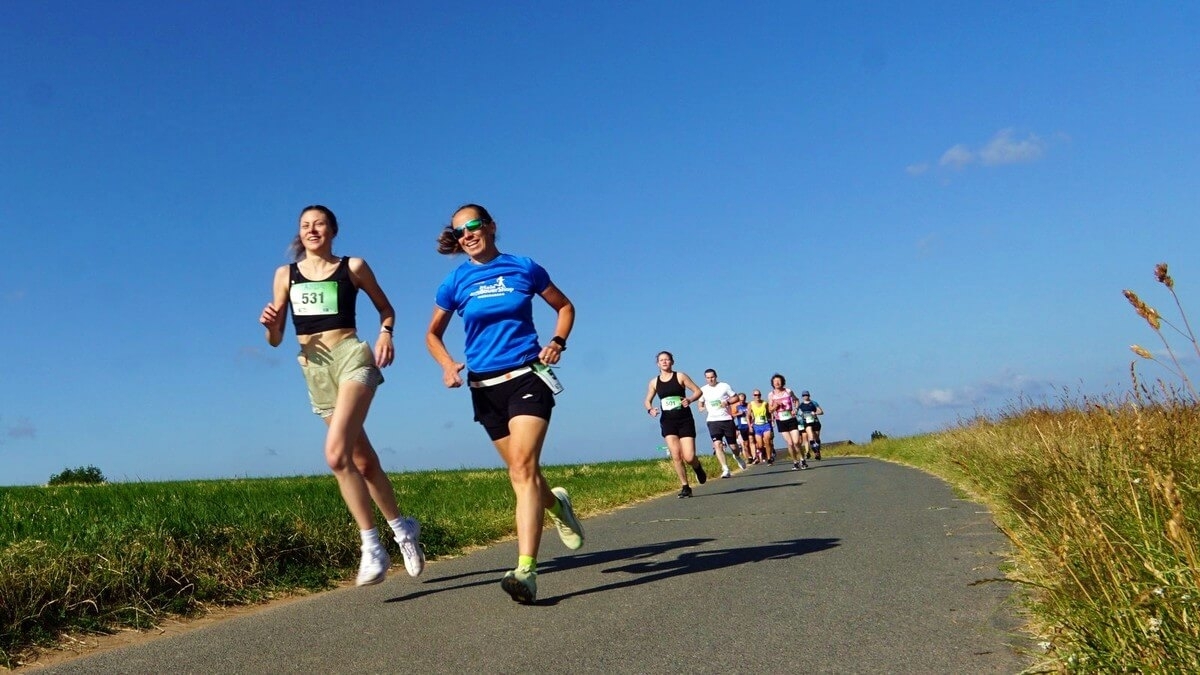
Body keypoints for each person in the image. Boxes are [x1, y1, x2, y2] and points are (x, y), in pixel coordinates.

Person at [425, 203, 584, 604]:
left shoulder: (523, 267)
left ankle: (526, 570)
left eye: (474, 226)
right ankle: (557, 503)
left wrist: (558, 341)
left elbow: (564, 307)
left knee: (522, 469)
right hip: (484, 387)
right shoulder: (455, 282)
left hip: (527, 377)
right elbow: (432, 334)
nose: (468, 235)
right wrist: (447, 365)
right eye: (460, 231)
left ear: (492, 226)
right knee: (522, 472)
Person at [258, 205, 424, 587]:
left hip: (352, 358)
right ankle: (403, 530)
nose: (311, 230)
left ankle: (372, 546)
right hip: (315, 372)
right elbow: (277, 338)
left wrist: (386, 333)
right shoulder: (286, 275)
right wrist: (269, 325)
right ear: (299, 234)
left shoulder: (353, 266)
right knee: (363, 462)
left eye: (318, 224)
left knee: (336, 455)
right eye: (304, 225)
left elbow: (386, 308)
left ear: (332, 230)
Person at [645, 351, 708, 497]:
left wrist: (690, 400)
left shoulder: (680, 376)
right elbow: (647, 400)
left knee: (689, 457)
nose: (664, 362)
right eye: (661, 360)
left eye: (667, 359)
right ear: (657, 364)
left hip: (684, 420)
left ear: (672, 362)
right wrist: (650, 409)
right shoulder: (654, 382)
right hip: (668, 422)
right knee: (676, 455)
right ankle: (685, 487)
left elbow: (698, 391)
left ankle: (697, 467)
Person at [698, 369, 746, 477]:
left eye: (712, 377)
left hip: (726, 419)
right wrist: (701, 408)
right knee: (717, 444)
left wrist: (728, 402)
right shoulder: (703, 390)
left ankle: (737, 456)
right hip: (712, 421)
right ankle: (725, 469)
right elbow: (700, 403)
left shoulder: (724, 386)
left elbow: (736, 397)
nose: (710, 379)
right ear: (705, 378)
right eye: (708, 377)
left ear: (716, 376)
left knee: (733, 446)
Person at [768, 374, 808, 470]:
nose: (777, 383)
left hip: (791, 418)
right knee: (790, 443)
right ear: (772, 384)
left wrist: (795, 409)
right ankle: (795, 462)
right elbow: (770, 410)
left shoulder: (788, 391)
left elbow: (796, 400)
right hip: (780, 420)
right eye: (775, 381)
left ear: (782, 382)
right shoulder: (771, 395)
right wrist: (775, 406)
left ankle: (802, 459)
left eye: (779, 381)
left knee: (796, 442)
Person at [747, 389, 775, 464]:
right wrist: (750, 426)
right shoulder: (751, 404)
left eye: (759, 395)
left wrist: (772, 420)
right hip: (757, 426)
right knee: (760, 445)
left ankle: (769, 459)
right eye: (755, 395)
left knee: (767, 441)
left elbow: (770, 412)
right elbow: (748, 416)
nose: (757, 396)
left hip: (766, 425)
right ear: (753, 396)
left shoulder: (765, 403)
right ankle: (764, 453)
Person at [798, 390, 825, 459]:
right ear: (802, 397)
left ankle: (818, 451)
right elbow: (798, 414)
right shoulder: (801, 405)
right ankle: (815, 453)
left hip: (815, 421)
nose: (805, 397)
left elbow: (821, 412)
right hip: (806, 423)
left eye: (806, 395)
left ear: (809, 395)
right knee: (811, 437)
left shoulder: (814, 403)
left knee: (817, 438)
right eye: (803, 395)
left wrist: (815, 413)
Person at [732, 393, 757, 464]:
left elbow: (753, 413)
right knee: (745, 443)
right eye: (740, 400)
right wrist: (738, 414)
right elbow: (732, 415)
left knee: (751, 440)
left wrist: (752, 417)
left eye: (743, 400)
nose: (742, 401)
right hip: (742, 427)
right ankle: (749, 457)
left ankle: (755, 457)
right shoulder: (736, 406)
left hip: (749, 426)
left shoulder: (748, 405)